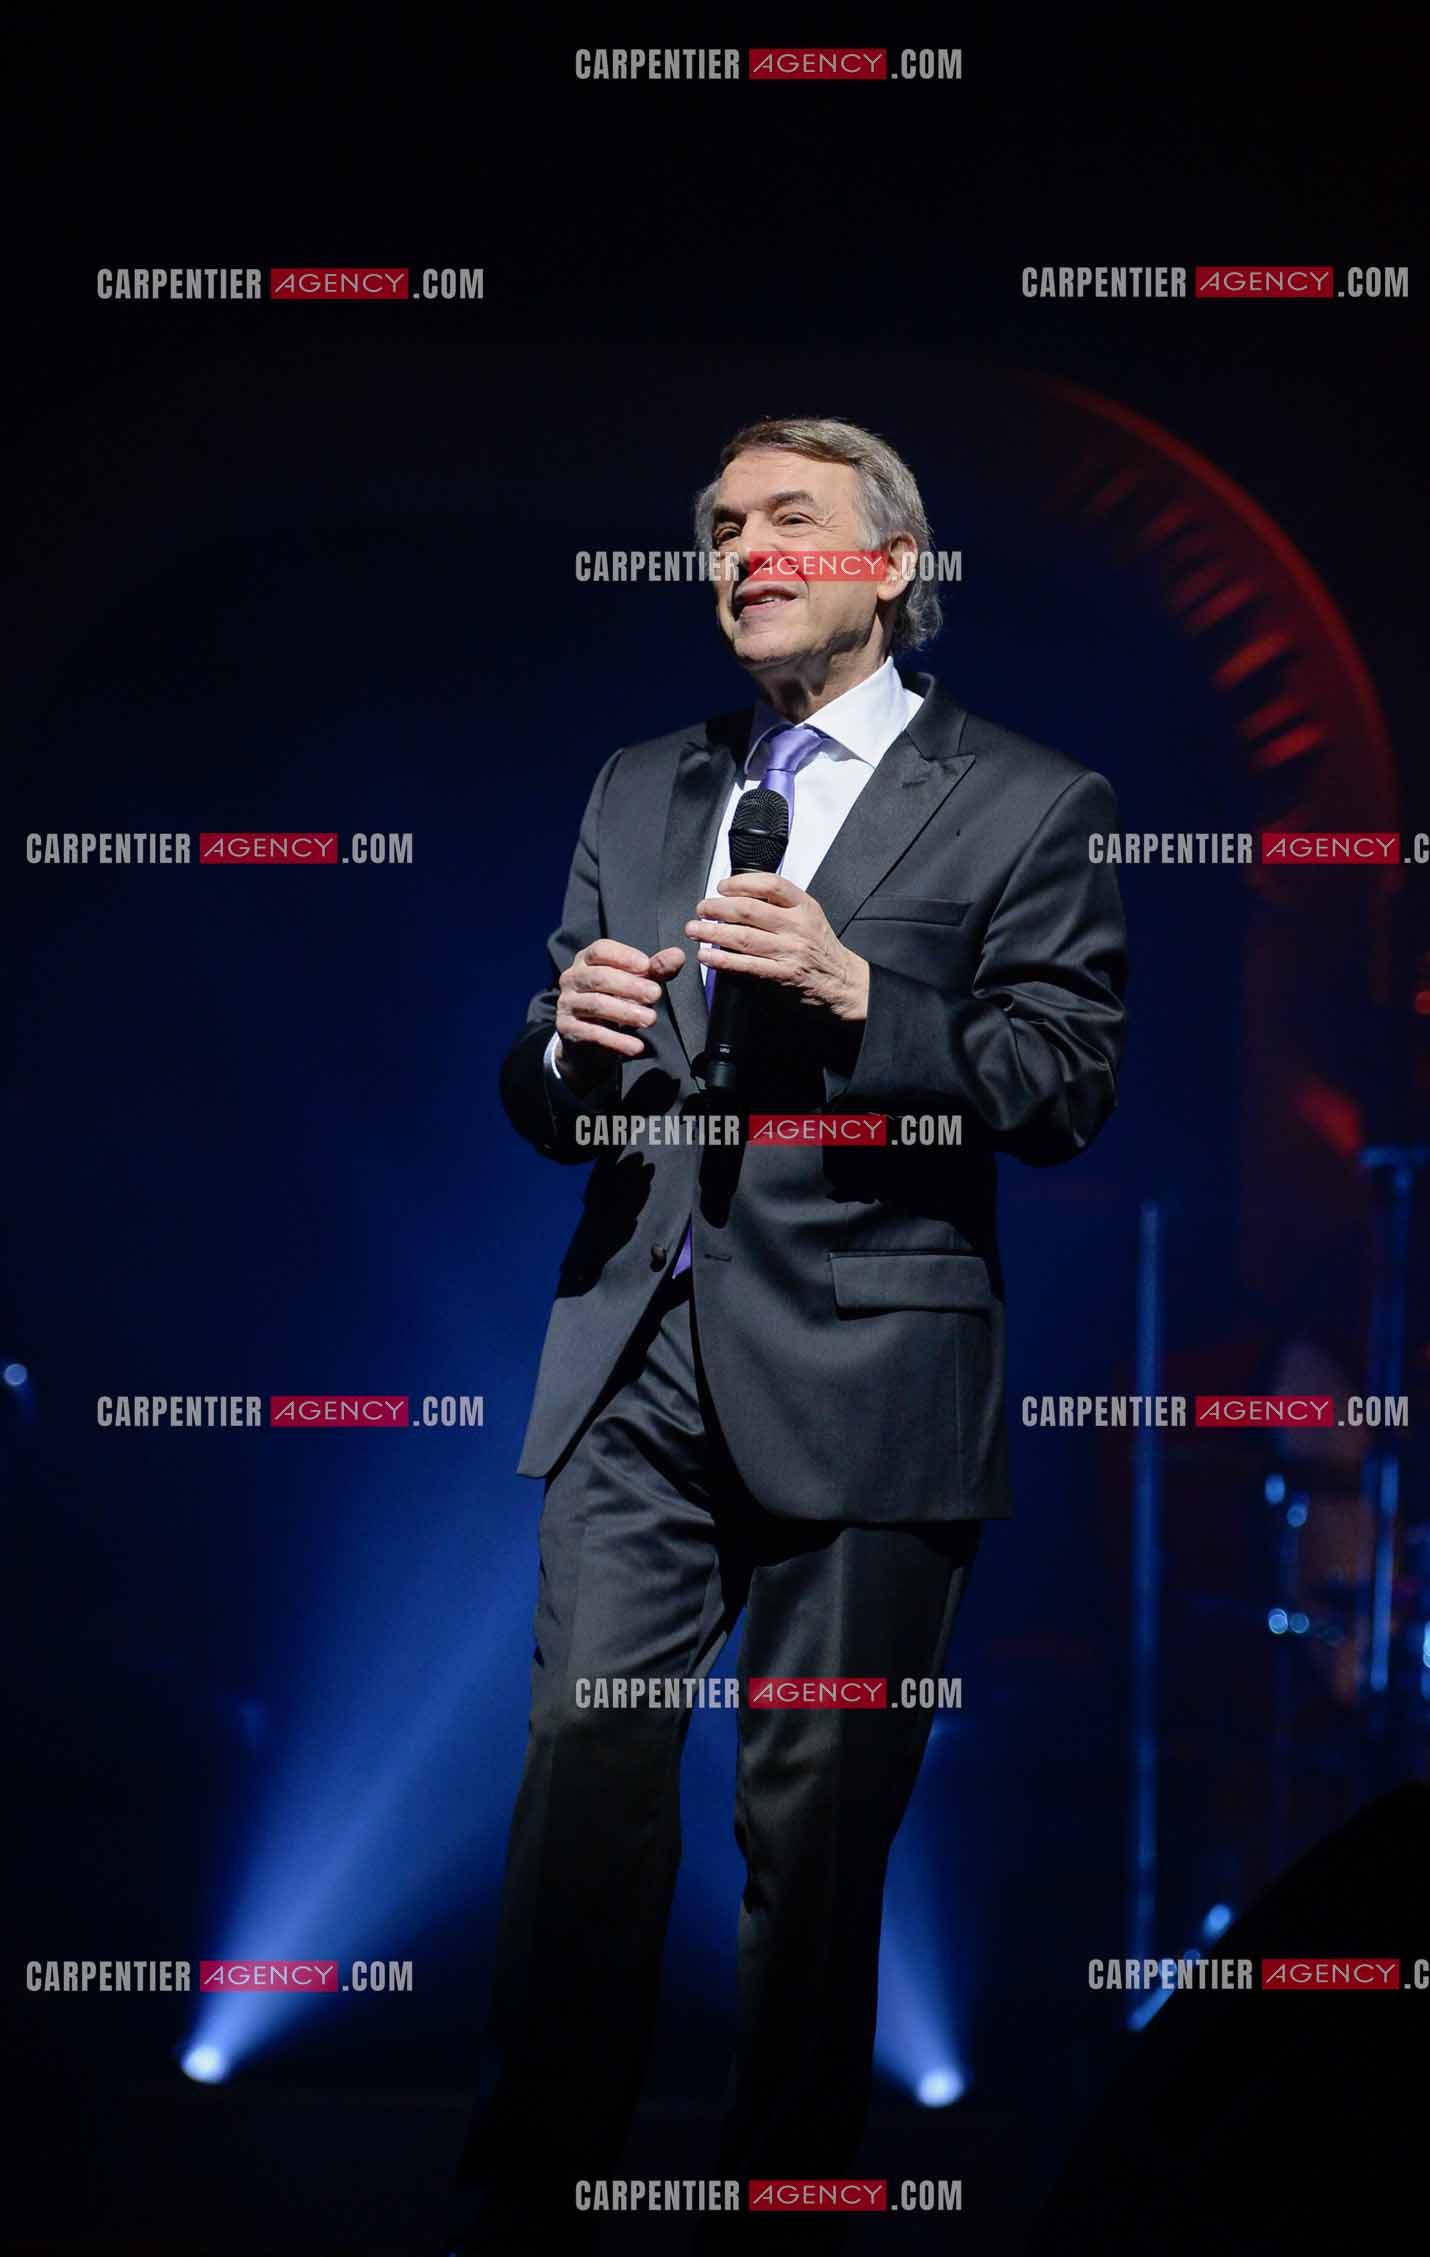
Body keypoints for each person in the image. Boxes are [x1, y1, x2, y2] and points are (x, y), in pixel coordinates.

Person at [449, 416, 1128, 2254]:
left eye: (789, 521)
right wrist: (566, 1050)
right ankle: (525, 2210)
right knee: (584, 1782)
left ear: (893, 565)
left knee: (812, 1841)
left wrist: (858, 992)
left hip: (873, 1373)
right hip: (636, 1357)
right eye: (724, 526)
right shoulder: (642, 785)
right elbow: (550, 1091)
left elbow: (1060, 1088)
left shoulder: (1028, 798)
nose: (745, 549)